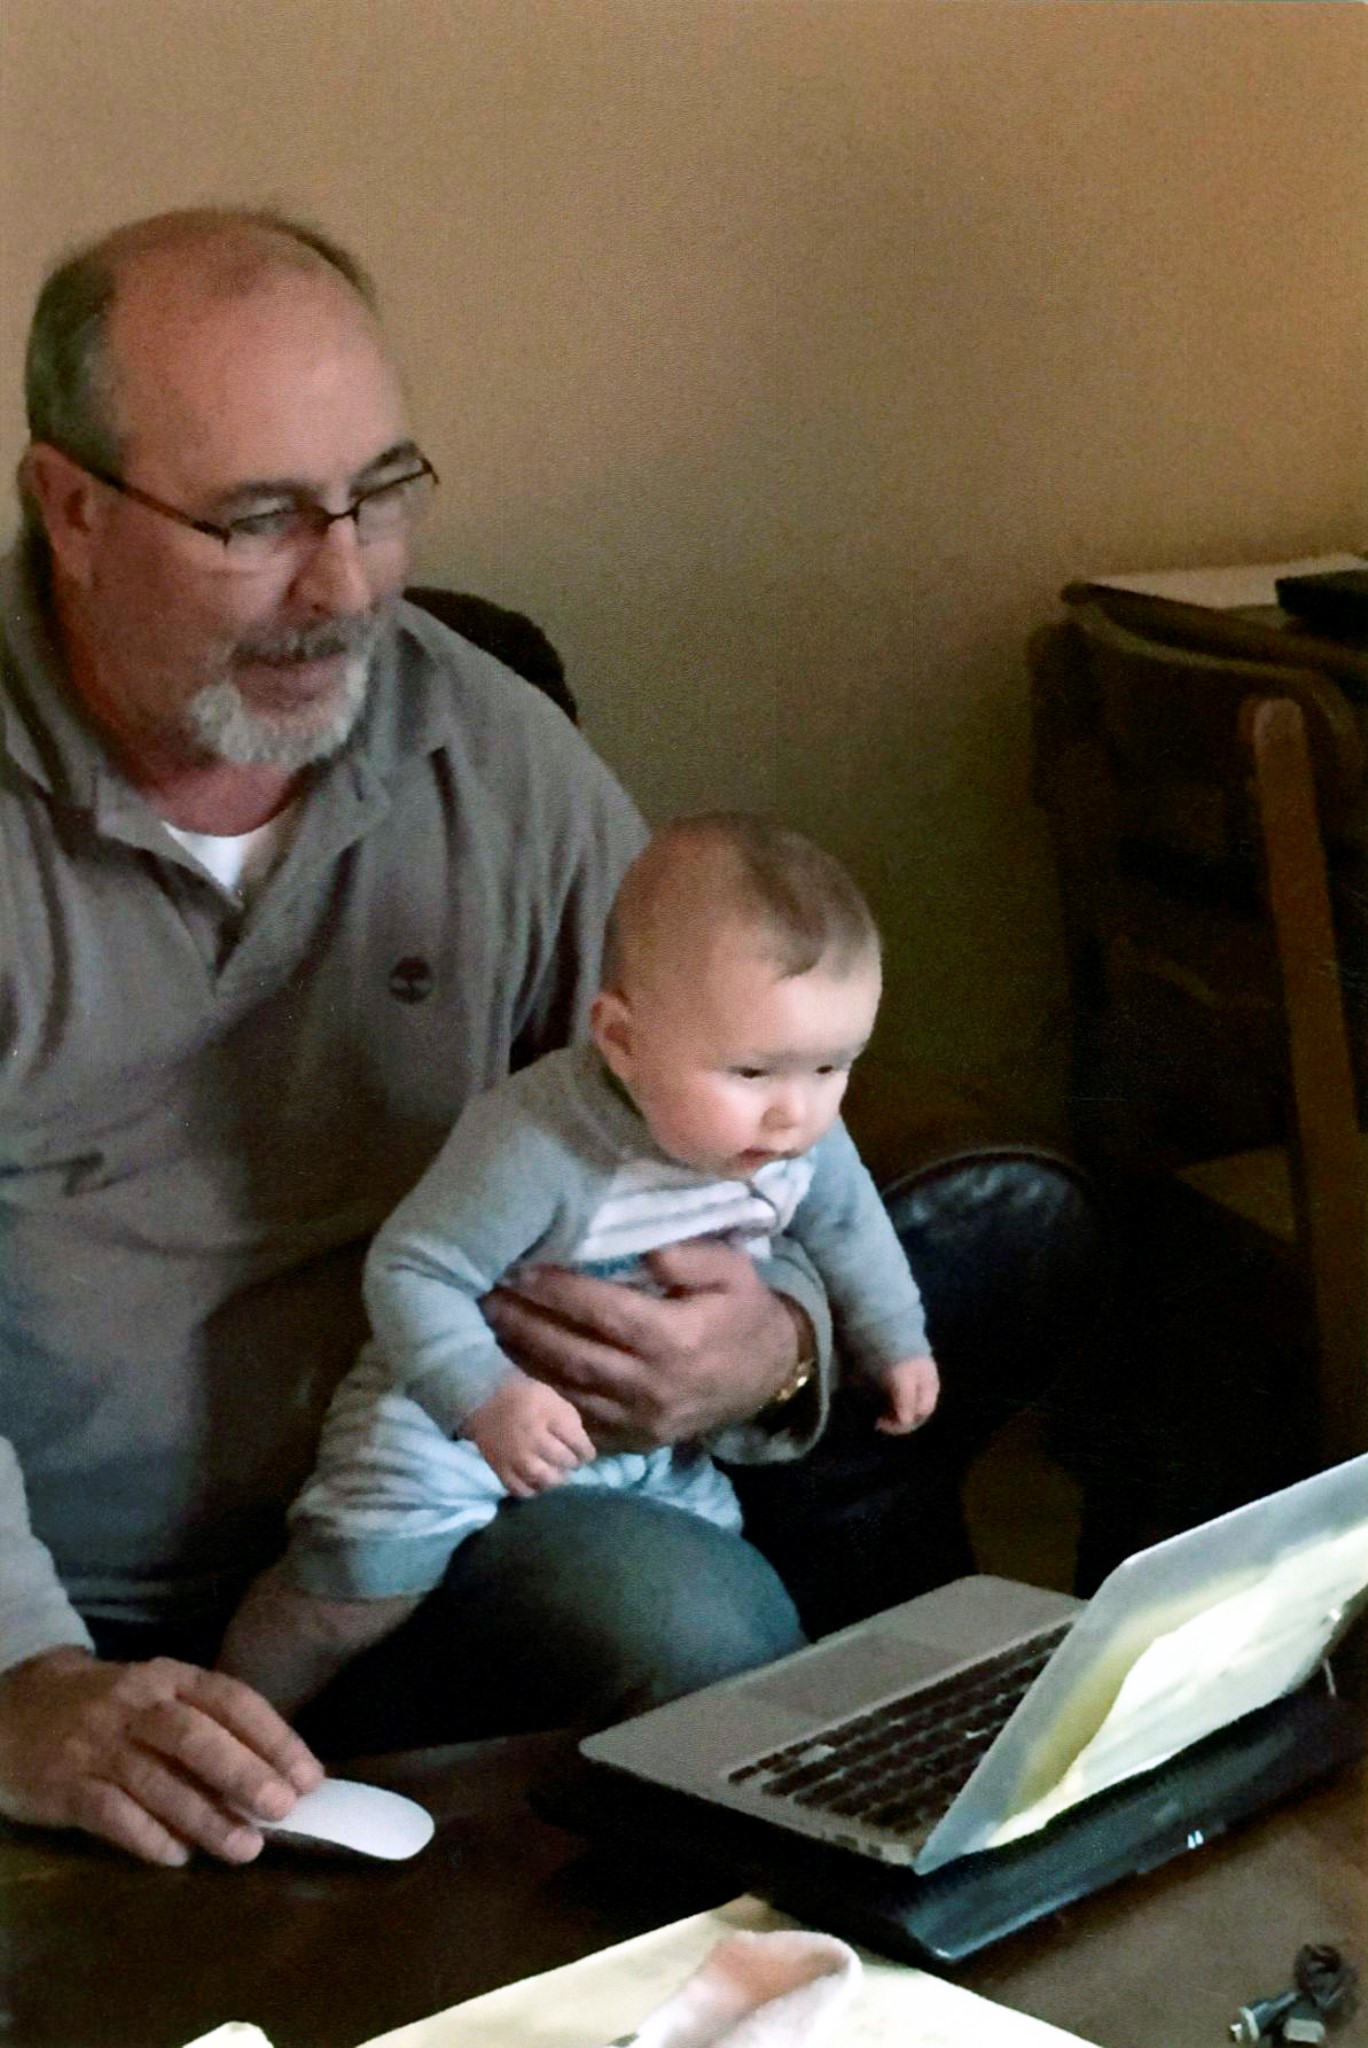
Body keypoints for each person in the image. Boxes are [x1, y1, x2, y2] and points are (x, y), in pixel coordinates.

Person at [0, 208, 837, 1869]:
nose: (345, 583)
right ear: (73, 509)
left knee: (697, 1629)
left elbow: (737, 1099)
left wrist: (772, 1345)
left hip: (430, 1518)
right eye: (257, 520)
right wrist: (21, 1679)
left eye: (379, 493)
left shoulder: (489, 752)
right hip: (58, 1586)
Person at [219, 814, 940, 1713]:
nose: (796, 1114)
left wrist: (897, 1340)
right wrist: (485, 1397)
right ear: (622, 1039)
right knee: (348, 1595)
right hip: (451, 1423)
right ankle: (233, 1718)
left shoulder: (800, 1144)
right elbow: (412, 1270)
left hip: (644, 1449)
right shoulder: (538, 1144)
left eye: (832, 1068)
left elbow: (850, 1228)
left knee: (731, 1606)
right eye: (753, 1074)